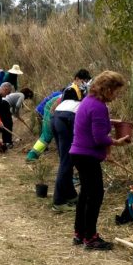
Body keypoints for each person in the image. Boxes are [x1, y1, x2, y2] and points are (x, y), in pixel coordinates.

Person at [69, 71, 129, 250]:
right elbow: (99, 138)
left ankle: (79, 234)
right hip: (87, 155)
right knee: (95, 196)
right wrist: (115, 142)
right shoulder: (99, 107)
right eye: (116, 91)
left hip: (78, 153)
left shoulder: (88, 102)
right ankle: (91, 237)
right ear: (107, 89)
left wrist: (109, 122)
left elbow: (93, 122)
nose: (117, 95)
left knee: (86, 195)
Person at [51, 69, 92, 212]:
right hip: (67, 118)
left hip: (57, 117)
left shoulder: (81, 94)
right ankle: (58, 201)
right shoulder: (80, 93)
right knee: (67, 161)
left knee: (66, 159)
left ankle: (70, 195)